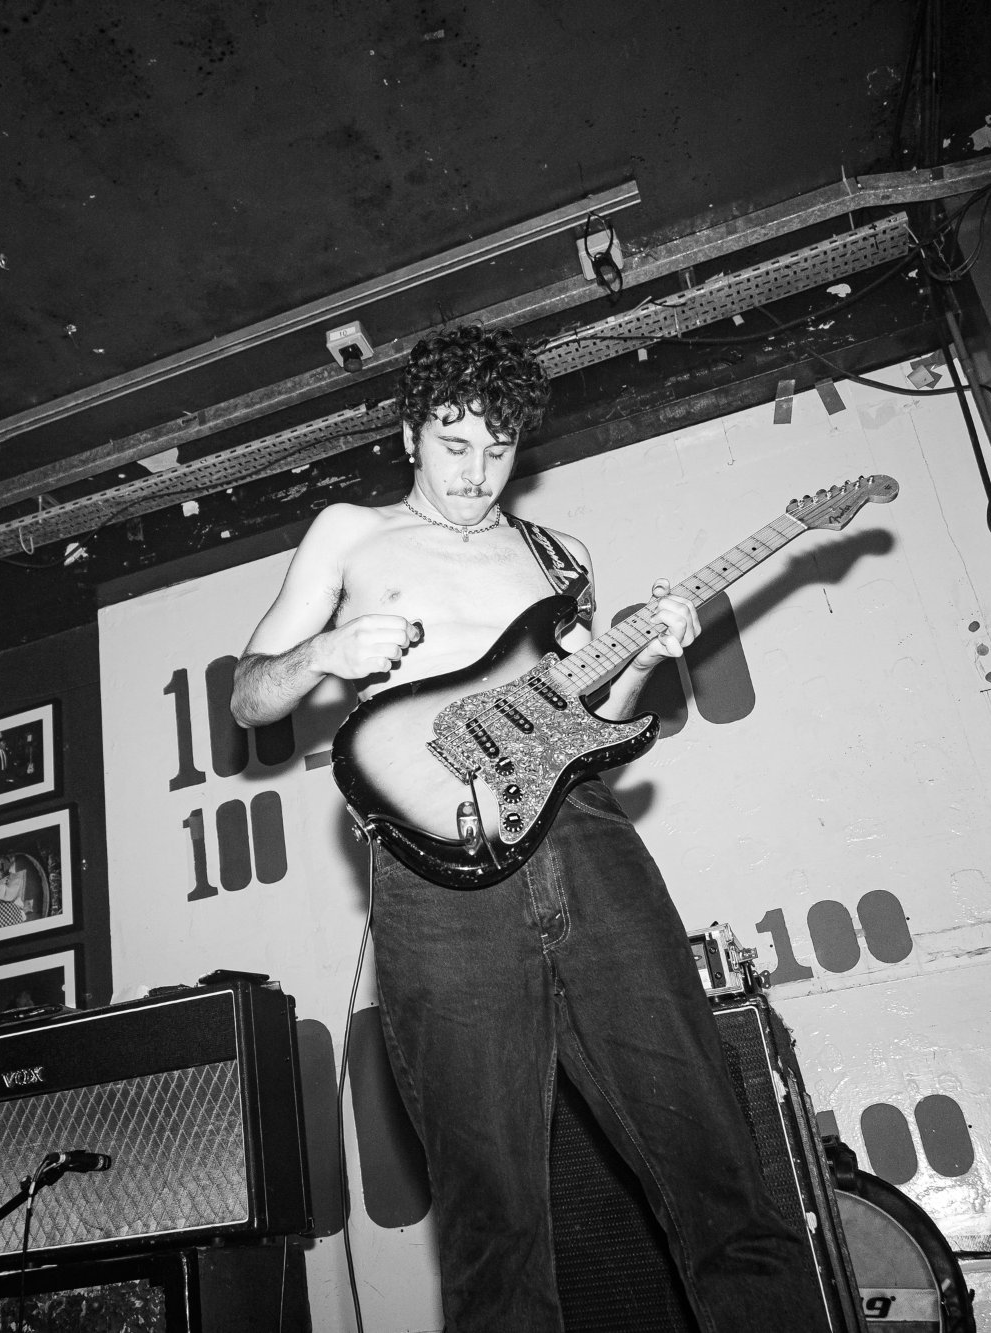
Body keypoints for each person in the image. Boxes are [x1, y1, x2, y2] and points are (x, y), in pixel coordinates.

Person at [230, 326, 820, 1332]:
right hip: (432, 873)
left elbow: (587, 727)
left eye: (497, 449)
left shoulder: (559, 558)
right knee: (489, 1204)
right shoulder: (348, 531)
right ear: (411, 434)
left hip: (581, 833)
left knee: (712, 1152)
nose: (474, 472)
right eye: (453, 445)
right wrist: (325, 650)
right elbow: (251, 699)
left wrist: (646, 652)